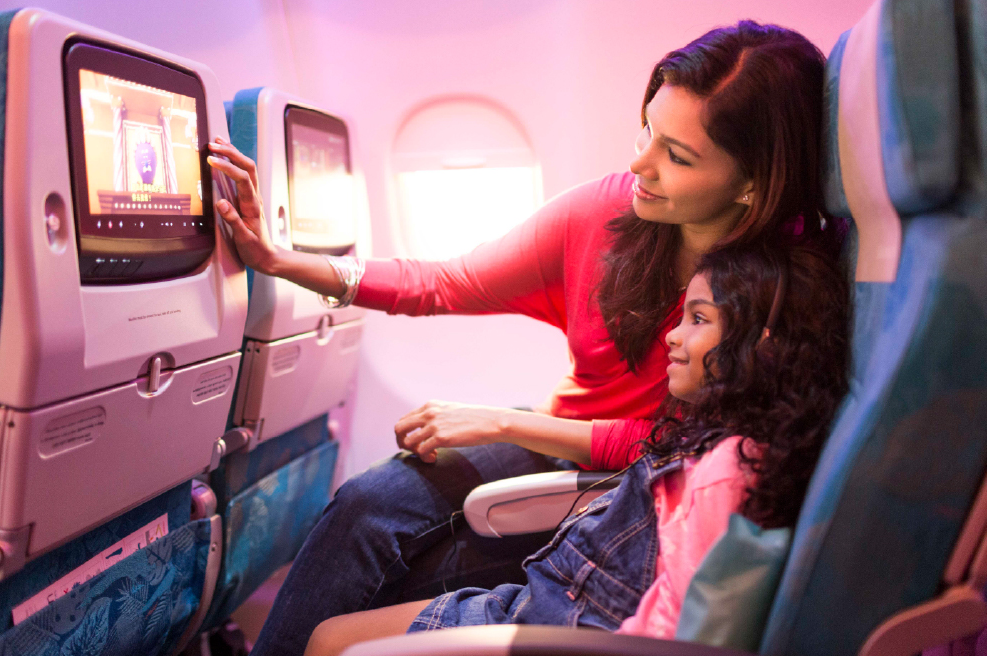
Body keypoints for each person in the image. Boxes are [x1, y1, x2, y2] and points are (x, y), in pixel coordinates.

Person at [207, 20, 838, 656]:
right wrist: (282, 261)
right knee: (365, 508)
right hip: (563, 435)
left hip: (632, 487)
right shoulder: (608, 215)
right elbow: (445, 282)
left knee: (411, 571)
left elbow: (679, 447)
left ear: (751, 181)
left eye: (676, 156)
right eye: (648, 131)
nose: (639, 165)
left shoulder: (774, 292)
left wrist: (497, 424)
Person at [303, 243, 852, 656]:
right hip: (552, 600)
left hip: (564, 626)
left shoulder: (726, 474)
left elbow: (677, 632)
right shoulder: (715, 435)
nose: (672, 336)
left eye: (700, 319)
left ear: (763, 346)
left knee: (331, 641)